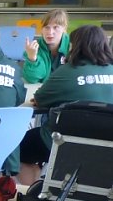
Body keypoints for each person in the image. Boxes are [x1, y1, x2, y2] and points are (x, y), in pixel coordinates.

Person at [17, 24, 113, 184]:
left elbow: (39, 99)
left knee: (18, 149)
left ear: (75, 46)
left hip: (62, 142)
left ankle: (31, 192)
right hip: (105, 147)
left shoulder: (67, 72)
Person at [23, 8, 70, 84]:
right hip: (44, 89)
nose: (50, 32)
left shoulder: (74, 45)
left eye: (56, 27)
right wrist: (32, 59)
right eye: (47, 27)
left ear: (64, 29)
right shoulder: (34, 48)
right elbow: (32, 79)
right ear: (42, 29)